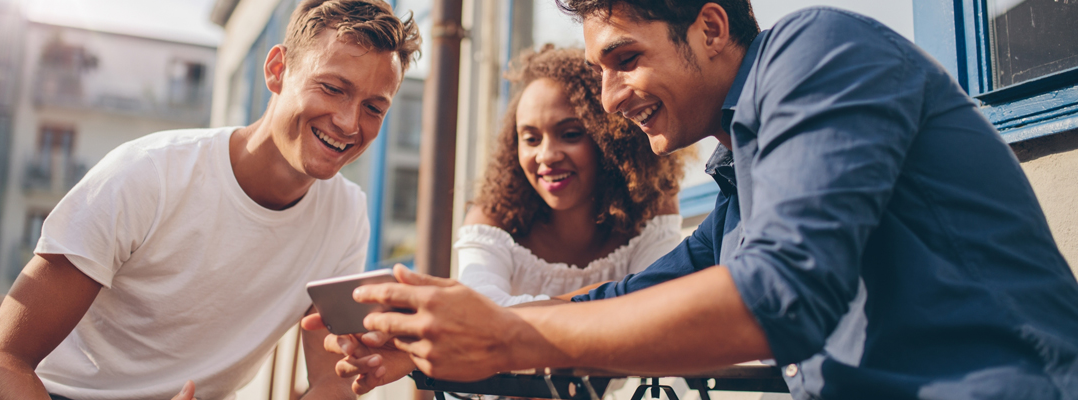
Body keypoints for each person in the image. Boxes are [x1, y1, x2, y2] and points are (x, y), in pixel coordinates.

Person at [313, 0, 1078, 399]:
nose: (611, 98)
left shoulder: (820, 50)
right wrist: (435, 345)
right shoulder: (743, 178)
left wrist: (509, 341)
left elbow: (778, 299)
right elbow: (624, 300)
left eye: (624, 59)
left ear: (711, 28)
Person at [0, 1, 420, 399]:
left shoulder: (346, 214)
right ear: (277, 70)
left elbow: (331, 384)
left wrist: (386, 364)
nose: (347, 121)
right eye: (332, 88)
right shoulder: (148, 174)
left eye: (373, 107)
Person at [457, 45, 685, 307]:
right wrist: (615, 302)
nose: (547, 156)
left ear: (610, 140)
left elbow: (656, 307)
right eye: (531, 139)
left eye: (570, 134)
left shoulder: (653, 209)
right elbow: (478, 314)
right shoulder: (492, 221)